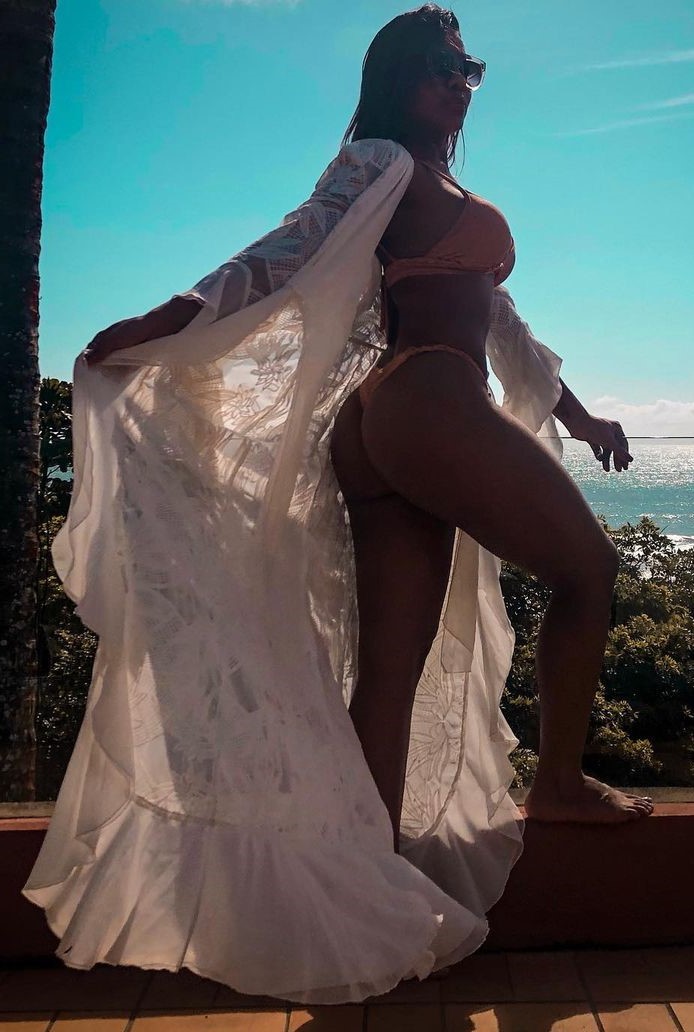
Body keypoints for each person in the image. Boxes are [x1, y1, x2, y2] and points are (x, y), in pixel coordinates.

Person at [24, 4, 651, 1006]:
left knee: (389, 676)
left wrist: (577, 416)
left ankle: (371, 885)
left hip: (391, 424)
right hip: (425, 401)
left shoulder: (433, 185)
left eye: (469, 67)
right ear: (395, 78)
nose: (458, 81)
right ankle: (561, 783)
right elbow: (287, 250)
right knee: (589, 569)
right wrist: (162, 321)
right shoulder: (381, 162)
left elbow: (497, 317)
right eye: (439, 64)